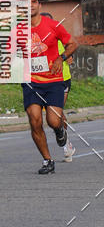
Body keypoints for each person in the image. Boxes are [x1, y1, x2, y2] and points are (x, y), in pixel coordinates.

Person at [21, 0, 78, 174]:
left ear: (39, 5)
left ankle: (60, 130)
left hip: (53, 81)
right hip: (31, 81)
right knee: (34, 120)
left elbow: (72, 44)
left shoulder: (54, 26)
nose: (30, 5)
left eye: (33, 2)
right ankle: (47, 160)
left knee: (53, 120)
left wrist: (61, 59)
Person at [39, 13, 74, 162]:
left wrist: (67, 57)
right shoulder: (37, 40)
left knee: (56, 113)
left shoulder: (59, 36)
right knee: (53, 114)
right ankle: (65, 140)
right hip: (43, 82)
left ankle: (66, 145)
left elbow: (71, 50)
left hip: (62, 80)